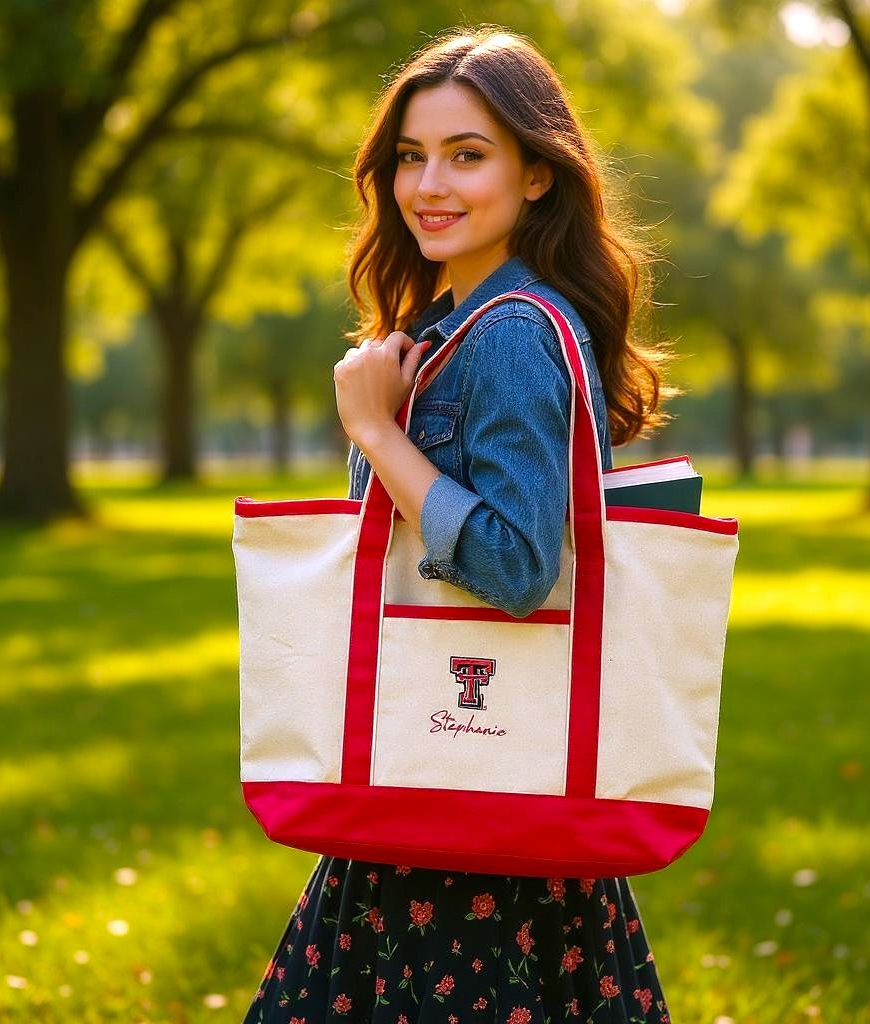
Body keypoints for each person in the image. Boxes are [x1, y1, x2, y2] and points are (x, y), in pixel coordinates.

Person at [244, 25, 671, 1024]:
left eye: (467, 155)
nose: (428, 183)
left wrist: (371, 430)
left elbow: (519, 566)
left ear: (535, 175)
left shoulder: (513, 332)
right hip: (455, 779)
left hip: (462, 798)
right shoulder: (453, 322)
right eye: (409, 156)